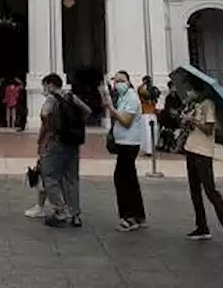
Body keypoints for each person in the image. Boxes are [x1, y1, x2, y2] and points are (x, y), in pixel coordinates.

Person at [182, 93, 223, 251]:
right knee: (194, 190)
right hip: (191, 149)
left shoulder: (208, 104)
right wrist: (187, 120)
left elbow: (209, 129)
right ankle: (201, 226)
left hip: (203, 153)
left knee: (211, 192)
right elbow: (193, 127)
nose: (189, 92)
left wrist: (193, 120)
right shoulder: (196, 104)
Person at [36, 72, 90, 228]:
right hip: (73, 143)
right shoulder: (71, 96)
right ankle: (75, 214)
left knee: (50, 176)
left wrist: (48, 131)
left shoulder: (52, 99)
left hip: (56, 142)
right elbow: (87, 111)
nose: (44, 89)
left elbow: (44, 114)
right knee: (71, 178)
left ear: (50, 85)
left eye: (45, 85)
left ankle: (60, 211)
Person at [103, 70, 147, 232]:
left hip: (129, 144)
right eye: (116, 81)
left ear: (128, 82)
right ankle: (138, 215)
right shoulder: (123, 97)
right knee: (130, 179)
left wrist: (112, 109)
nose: (118, 84)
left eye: (121, 80)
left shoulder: (131, 98)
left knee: (122, 180)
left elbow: (126, 121)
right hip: (124, 142)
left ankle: (129, 216)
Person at [137, 76, 160, 157]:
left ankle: (148, 150)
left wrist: (143, 84)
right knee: (151, 133)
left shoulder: (145, 90)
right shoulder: (154, 90)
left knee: (146, 133)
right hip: (152, 113)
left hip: (146, 113)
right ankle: (151, 149)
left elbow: (140, 91)